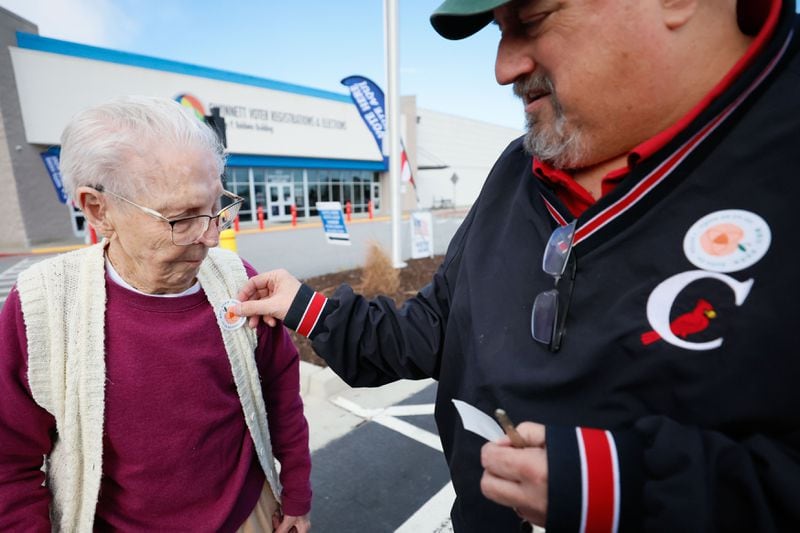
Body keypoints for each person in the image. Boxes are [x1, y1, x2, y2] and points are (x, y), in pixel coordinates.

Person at [236, 0, 800, 531]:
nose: (504, 68)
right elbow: (435, 329)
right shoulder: (519, 167)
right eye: (499, 30)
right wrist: (307, 309)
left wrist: (626, 490)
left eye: (532, 17)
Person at [0, 96, 311, 533]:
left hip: (250, 516)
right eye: (181, 218)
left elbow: (281, 396)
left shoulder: (237, 279)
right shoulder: (44, 305)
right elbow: (9, 460)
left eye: (216, 208)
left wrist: (295, 493)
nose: (210, 238)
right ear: (98, 209)